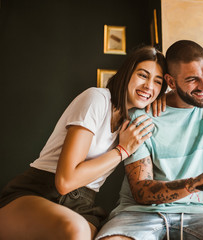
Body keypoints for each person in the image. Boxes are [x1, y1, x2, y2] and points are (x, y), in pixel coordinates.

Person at [96, 40, 203, 240]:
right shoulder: (141, 115)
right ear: (170, 82)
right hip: (137, 214)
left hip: (196, 215)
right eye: (192, 79)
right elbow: (141, 192)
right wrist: (194, 183)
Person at [0, 45, 168, 240]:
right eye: (143, 75)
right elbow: (65, 182)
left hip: (82, 205)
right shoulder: (96, 99)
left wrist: (166, 98)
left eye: (157, 82)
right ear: (127, 73)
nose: (149, 86)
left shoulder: (131, 121)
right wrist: (122, 150)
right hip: (39, 192)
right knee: (76, 231)